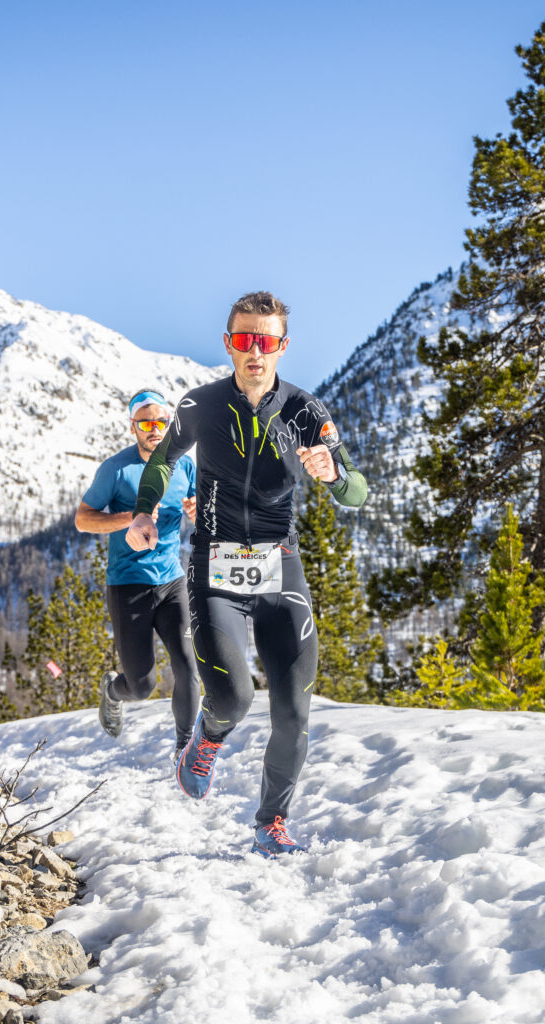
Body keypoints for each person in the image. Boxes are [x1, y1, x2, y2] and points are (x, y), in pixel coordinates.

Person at [127, 291, 368, 857]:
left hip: (279, 568)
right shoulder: (200, 406)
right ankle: (206, 741)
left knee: (293, 710)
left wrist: (332, 474)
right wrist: (142, 512)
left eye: (265, 341)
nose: (254, 351)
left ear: (282, 346)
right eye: (243, 339)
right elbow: (163, 461)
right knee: (233, 698)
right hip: (215, 567)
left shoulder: (307, 412)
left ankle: (271, 823)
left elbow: (357, 490)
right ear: (229, 344)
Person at [76, 389, 199, 754]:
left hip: (172, 581)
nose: (155, 429)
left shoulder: (185, 466)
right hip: (128, 584)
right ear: (133, 427)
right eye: (146, 422)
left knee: (189, 670)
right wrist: (129, 517)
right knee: (141, 686)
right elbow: (83, 520)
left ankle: (185, 751)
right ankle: (113, 690)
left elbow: (199, 507)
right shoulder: (116, 469)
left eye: (162, 421)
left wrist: (199, 511)